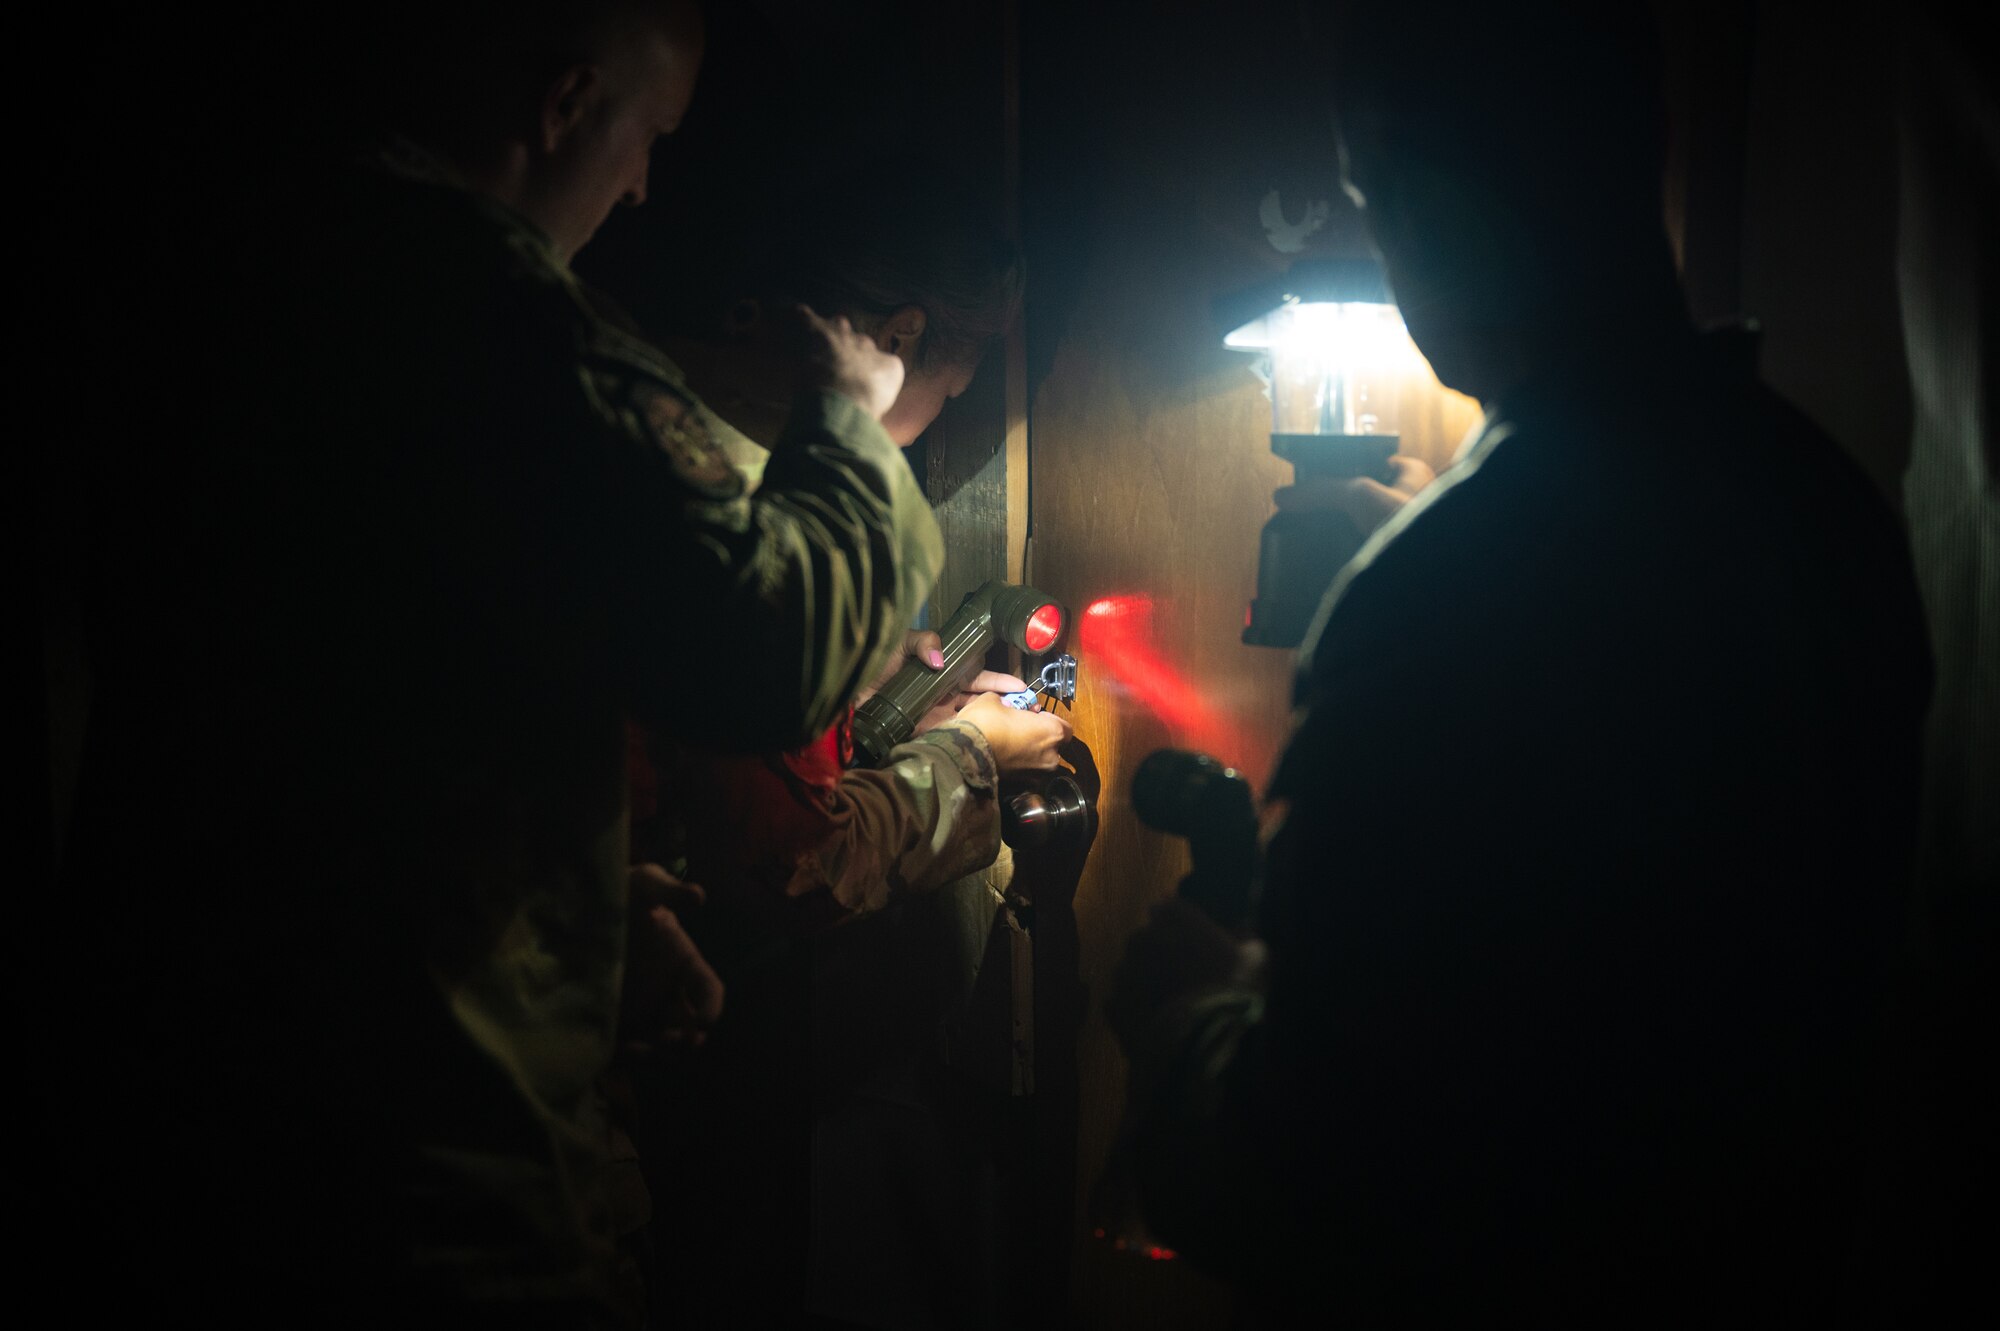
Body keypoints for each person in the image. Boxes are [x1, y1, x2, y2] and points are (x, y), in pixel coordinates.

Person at [46, 2, 942, 1324]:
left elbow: (369, 710)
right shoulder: (499, 319)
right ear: (567, 105)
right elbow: (768, 644)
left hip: (176, 1102)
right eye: (648, 135)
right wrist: (849, 424)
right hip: (416, 1162)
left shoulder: (229, 276)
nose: (643, 184)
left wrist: (594, 908)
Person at [1108, 4, 1932, 1324]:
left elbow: (1301, 1179)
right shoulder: (1831, 510)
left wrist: (1182, 1017)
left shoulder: (1435, 597)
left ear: (1408, 192)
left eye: (1369, 199)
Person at [595, 165, 1072, 1326]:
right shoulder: (760, 509)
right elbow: (792, 862)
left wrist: (854, 676)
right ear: (899, 337)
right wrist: (973, 752)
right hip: (659, 1076)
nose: (947, 415)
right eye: (954, 381)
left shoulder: (629, 417)